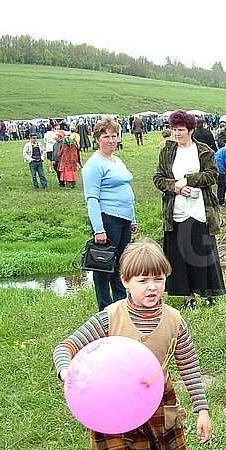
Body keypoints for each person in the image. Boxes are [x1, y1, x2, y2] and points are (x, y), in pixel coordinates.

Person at [53, 239, 212, 450]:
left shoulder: (174, 321)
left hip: (160, 403)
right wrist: (66, 370)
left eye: (158, 279)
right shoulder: (110, 317)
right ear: (125, 281)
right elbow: (65, 347)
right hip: (115, 407)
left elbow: (189, 366)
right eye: (142, 280)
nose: (152, 287)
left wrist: (202, 409)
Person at [153, 110, 226, 310]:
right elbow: (158, 178)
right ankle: (189, 296)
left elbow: (212, 175)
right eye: (174, 129)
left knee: (203, 251)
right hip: (176, 210)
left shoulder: (203, 150)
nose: (177, 133)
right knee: (180, 253)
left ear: (191, 130)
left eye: (181, 130)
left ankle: (208, 293)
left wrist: (189, 180)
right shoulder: (167, 151)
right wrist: (175, 187)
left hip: (200, 209)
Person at [82, 116, 139, 311]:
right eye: (106, 136)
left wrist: (132, 219)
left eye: (114, 136)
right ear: (97, 139)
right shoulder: (93, 165)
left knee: (121, 265)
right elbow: (92, 199)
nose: (111, 140)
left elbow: (125, 189)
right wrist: (99, 229)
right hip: (108, 218)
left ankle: (121, 306)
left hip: (124, 219)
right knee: (104, 265)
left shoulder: (117, 160)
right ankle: (105, 309)